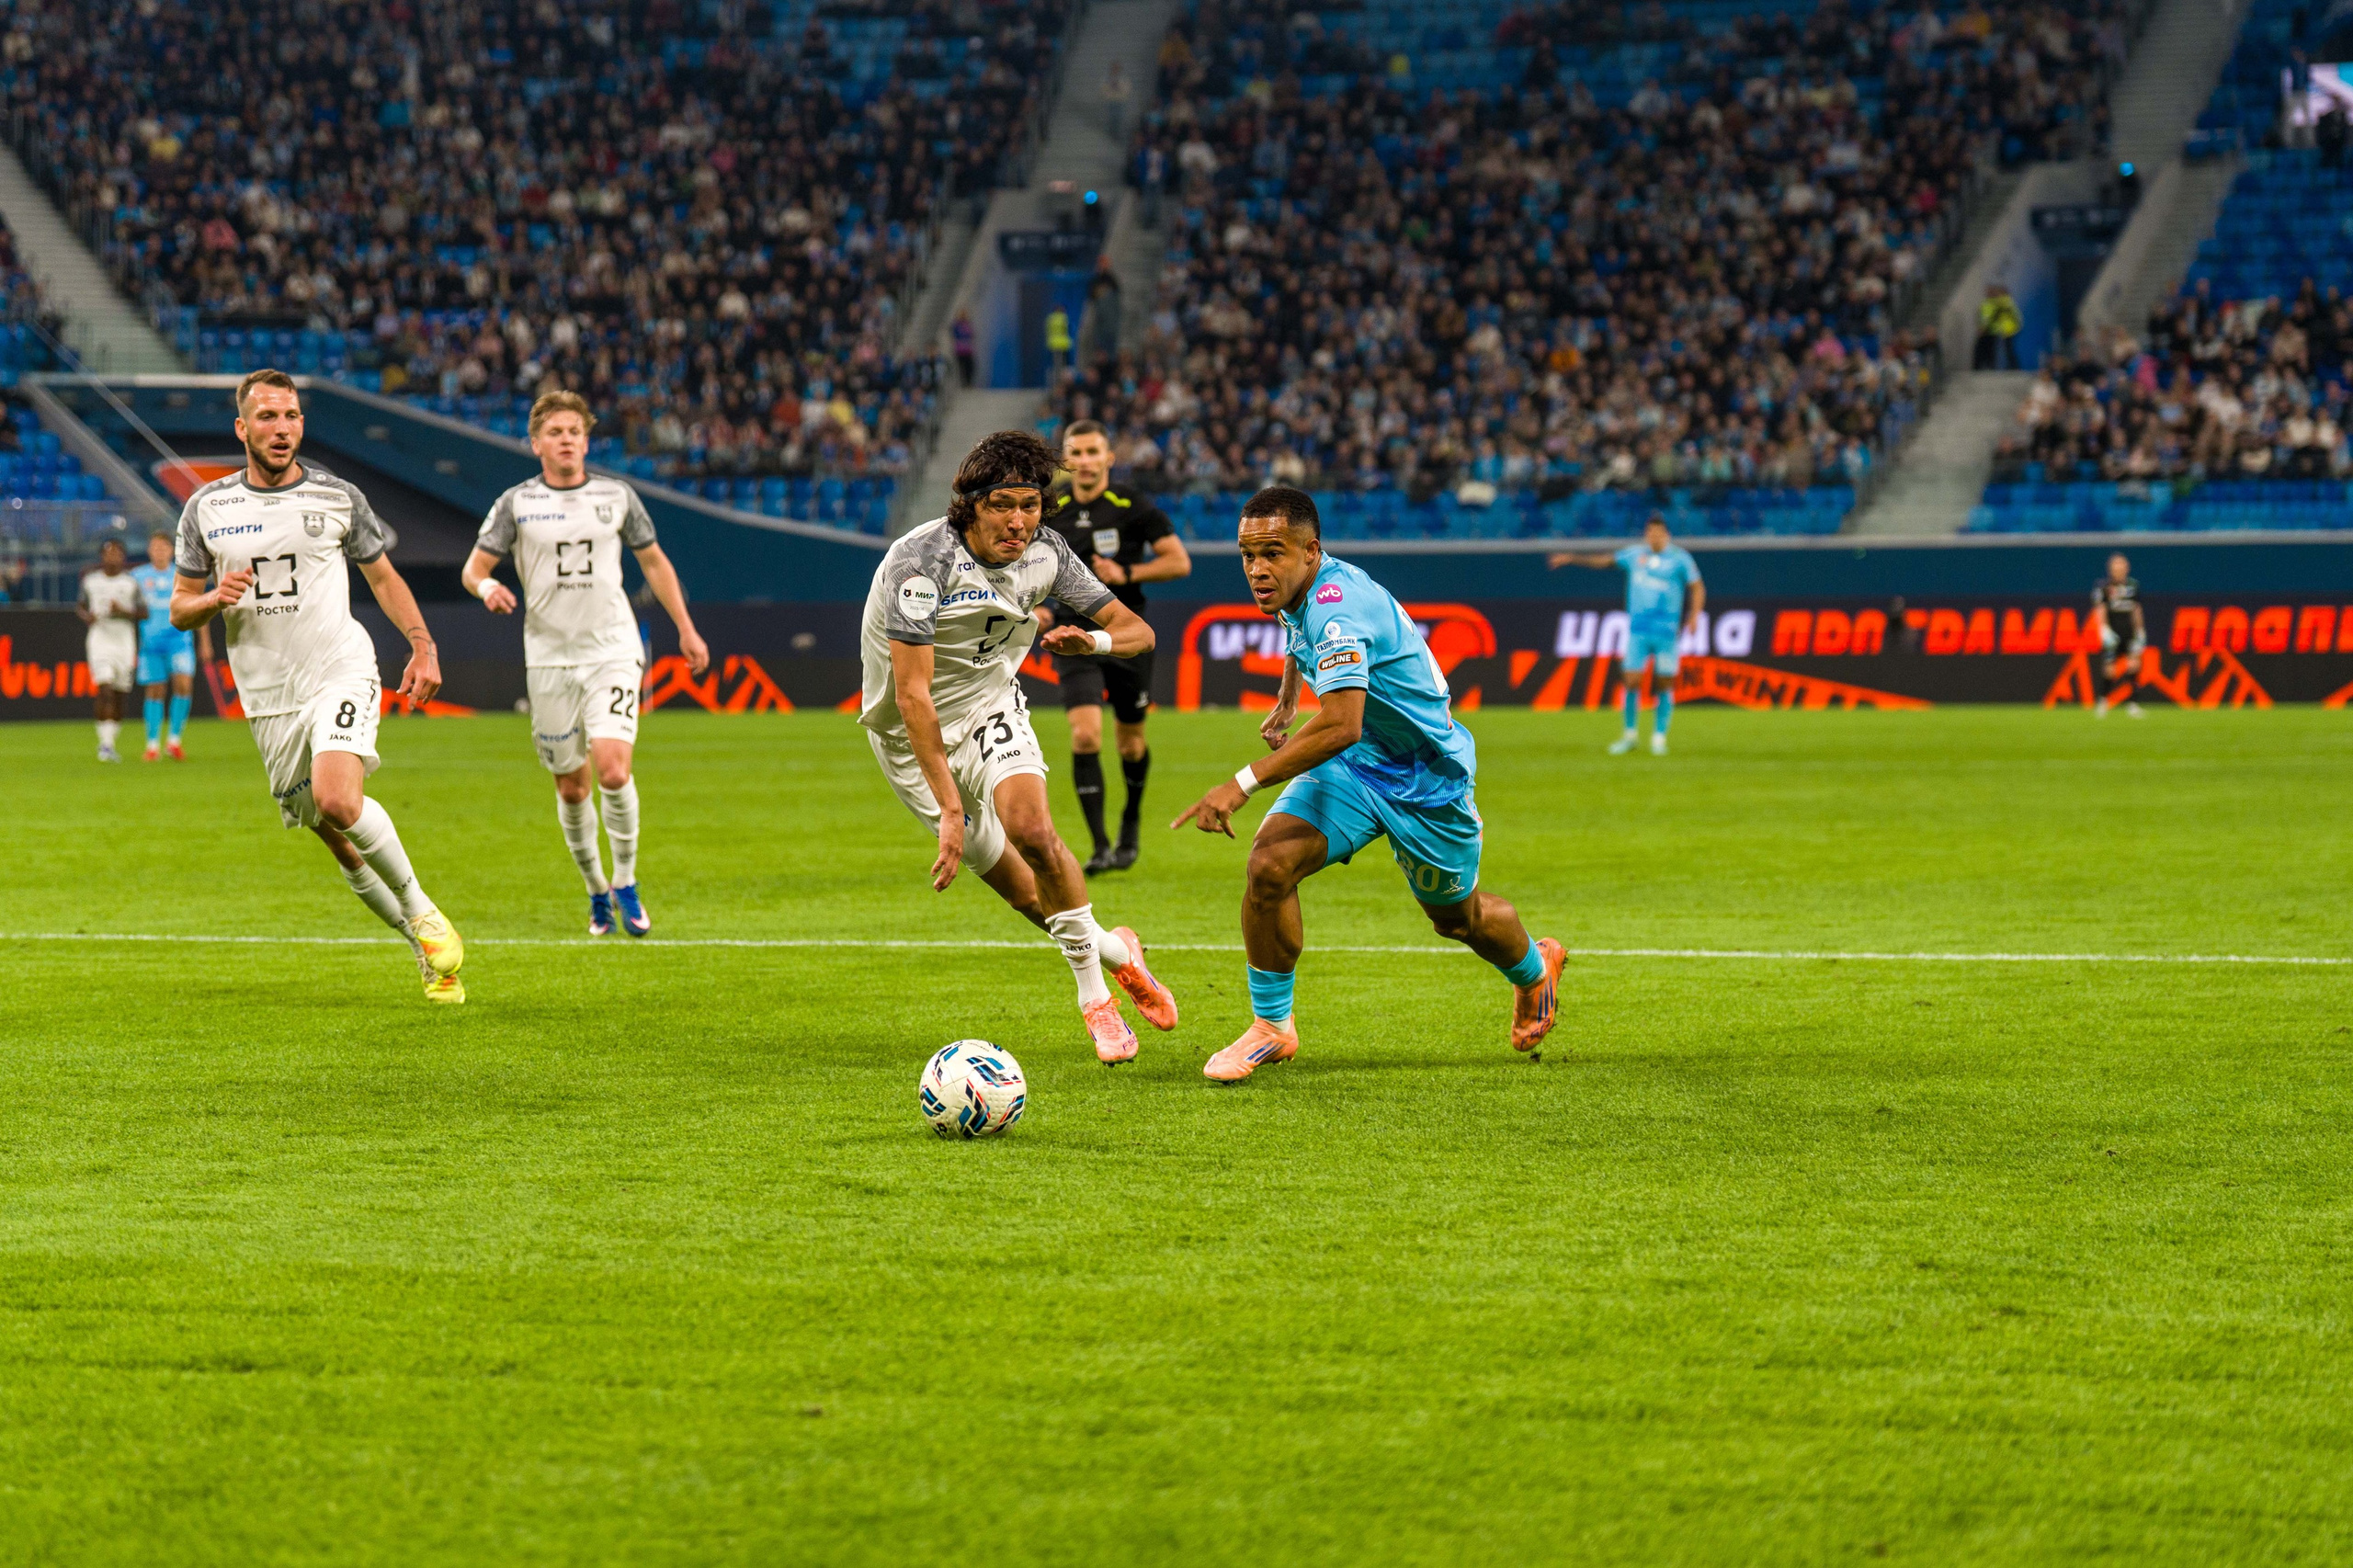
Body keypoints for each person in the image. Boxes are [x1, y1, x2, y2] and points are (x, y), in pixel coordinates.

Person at [1172, 485, 1566, 1083]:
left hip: (1425, 777)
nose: (1256, 569)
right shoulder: (1300, 589)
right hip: (1358, 767)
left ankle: (1536, 969)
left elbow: (1340, 723)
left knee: (1459, 921)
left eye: (1271, 553)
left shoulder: (1337, 606)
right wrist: (1286, 699)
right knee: (1269, 866)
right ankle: (1272, 1027)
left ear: (1311, 550)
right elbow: (1298, 636)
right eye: (1247, 554)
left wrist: (1240, 783)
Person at [859, 429, 1179, 1063]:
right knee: (1027, 895)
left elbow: (1137, 631)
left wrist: (1097, 644)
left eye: (1030, 505)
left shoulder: (1049, 554)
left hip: (990, 705)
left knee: (1033, 830)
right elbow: (914, 696)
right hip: (909, 735)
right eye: (1003, 504)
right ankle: (1117, 952)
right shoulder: (919, 563)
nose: (1018, 521)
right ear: (971, 504)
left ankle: (1095, 1001)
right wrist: (951, 809)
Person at [168, 369, 468, 1004]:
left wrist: (423, 645)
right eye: (269, 417)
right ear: (242, 428)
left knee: (338, 800)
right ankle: (426, 952)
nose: (283, 429)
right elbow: (178, 606)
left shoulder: (338, 497)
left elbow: (383, 577)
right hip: (269, 698)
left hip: (339, 666)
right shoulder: (207, 508)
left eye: (293, 416)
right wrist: (212, 600)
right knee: (335, 837)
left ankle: (422, 909)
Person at [462, 390, 710, 937]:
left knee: (614, 769)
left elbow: (654, 562)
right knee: (572, 787)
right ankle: (596, 889)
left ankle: (626, 879)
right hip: (549, 657)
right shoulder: (516, 503)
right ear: (536, 444)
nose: (567, 440)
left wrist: (686, 629)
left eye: (575, 431)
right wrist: (486, 588)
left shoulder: (616, 497)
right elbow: (473, 568)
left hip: (612, 650)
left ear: (586, 440)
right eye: (555, 432)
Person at [1037, 419, 1190, 873]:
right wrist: (1037, 606)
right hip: (1071, 636)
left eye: (1092, 452)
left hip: (1125, 638)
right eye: (1076, 453)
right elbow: (1020, 562)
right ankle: (1101, 846)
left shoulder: (1131, 506)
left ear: (1109, 458)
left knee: (1130, 745)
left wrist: (1129, 575)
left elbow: (1178, 561)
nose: (1084, 461)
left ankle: (1130, 823)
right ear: (1065, 460)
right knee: (1085, 735)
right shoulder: (1050, 509)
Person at [1549, 514, 1704, 755]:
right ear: (1646, 534)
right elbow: (1605, 561)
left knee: (1665, 683)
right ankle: (1630, 735)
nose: (1654, 537)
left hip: (1666, 631)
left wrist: (1694, 616)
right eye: (1650, 532)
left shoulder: (1680, 559)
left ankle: (1659, 738)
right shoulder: (1634, 556)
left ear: (1667, 535)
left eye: (1659, 533)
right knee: (1631, 680)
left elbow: (1697, 586)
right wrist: (1572, 558)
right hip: (1638, 630)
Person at [131, 528, 209, 760]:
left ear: (172, 551)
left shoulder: (181, 575)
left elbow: (198, 606)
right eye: (155, 547)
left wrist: (204, 642)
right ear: (149, 551)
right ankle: (152, 744)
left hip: (180, 641)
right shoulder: (137, 577)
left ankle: (174, 740)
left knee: (184, 685)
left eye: (163, 547)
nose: (159, 552)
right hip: (151, 644)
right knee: (155, 691)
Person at [75, 536, 142, 762]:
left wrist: (123, 610)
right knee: (105, 689)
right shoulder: (91, 581)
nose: (112, 556)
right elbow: (80, 607)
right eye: (108, 553)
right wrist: (88, 617)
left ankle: (111, 740)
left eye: (117, 553)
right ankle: (105, 745)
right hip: (100, 639)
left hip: (124, 641)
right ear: (102, 556)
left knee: (120, 694)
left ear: (123, 557)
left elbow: (144, 612)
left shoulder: (131, 583)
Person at [2093, 551, 2146, 719]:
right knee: (2110, 671)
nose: (2119, 569)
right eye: (2116, 565)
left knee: (2134, 666)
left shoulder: (2133, 586)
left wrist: (2140, 630)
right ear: (2110, 568)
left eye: (2121, 565)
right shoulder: (2103, 587)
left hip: (2129, 632)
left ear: (2127, 567)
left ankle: (2133, 704)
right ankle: (2102, 701)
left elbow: (2136, 610)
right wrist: (2103, 629)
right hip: (2112, 633)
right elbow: (2100, 609)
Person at [1977, 283, 2023, 369]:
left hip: (2007, 330)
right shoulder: (2008, 301)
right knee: (2007, 349)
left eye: (1999, 292)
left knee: (2007, 350)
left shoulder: (2003, 302)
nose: (1997, 294)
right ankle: (2012, 366)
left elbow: (1995, 316)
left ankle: (2013, 367)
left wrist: (1986, 326)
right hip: (2007, 329)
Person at [1045, 304, 1074, 378]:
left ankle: (1058, 381)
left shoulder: (1050, 318)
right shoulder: (1064, 318)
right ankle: (1061, 382)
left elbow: (1048, 331)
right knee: (1063, 365)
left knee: (1056, 365)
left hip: (1053, 344)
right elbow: (1068, 330)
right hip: (1063, 344)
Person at [951, 310, 977, 388]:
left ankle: (969, 383)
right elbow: (955, 335)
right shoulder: (956, 325)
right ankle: (964, 384)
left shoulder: (968, 324)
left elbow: (972, 335)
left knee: (970, 367)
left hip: (968, 349)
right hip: (960, 350)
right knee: (962, 368)